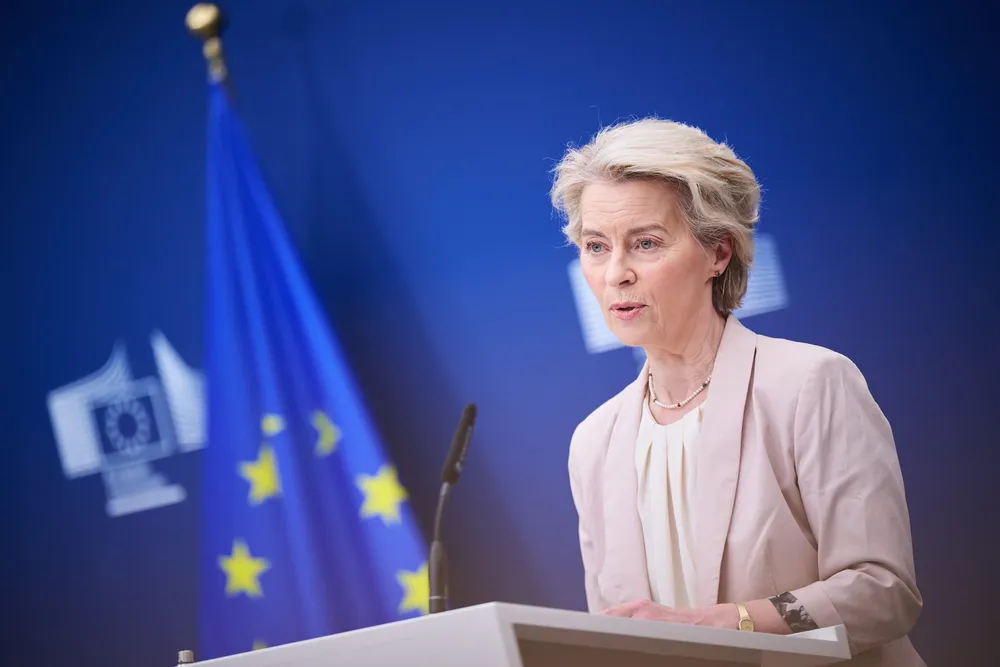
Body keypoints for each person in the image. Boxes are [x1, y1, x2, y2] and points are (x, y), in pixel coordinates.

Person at [550, 118, 924, 666]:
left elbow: (882, 592)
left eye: (645, 243)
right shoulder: (593, 443)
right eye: (596, 246)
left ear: (718, 253)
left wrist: (728, 624)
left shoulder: (809, 383)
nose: (615, 274)